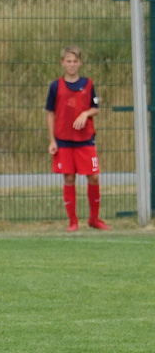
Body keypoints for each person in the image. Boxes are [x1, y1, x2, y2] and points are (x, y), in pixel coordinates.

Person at [46, 45, 107, 231]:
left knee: (94, 177)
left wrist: (85, 113)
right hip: (64, 140)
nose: (72, 65)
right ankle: (73, 222)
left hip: (86, 140)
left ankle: (94, 219)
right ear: (62, 63)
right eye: (68, 61)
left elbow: (95, 108)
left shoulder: (88, 84)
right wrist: (52, 140)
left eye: (75, 61)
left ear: (80, 63)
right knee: (69, 178)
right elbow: (50, 113)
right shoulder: (55, 86)